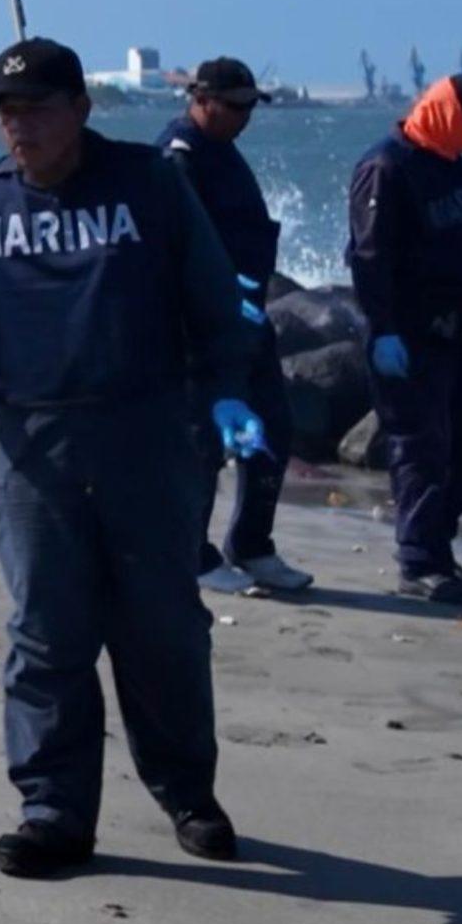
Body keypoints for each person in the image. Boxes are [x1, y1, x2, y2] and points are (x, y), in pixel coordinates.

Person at [0, 38, 268, 879]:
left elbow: (214, 300)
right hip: (29, 450)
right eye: (7, 111)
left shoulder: (151, 186)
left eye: (38, 107)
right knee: (46, 632)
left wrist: (226, 392)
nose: (20, 125)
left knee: (162, 629)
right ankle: (54, 811)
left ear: (81, 109)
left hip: (145, 436)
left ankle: (189, 794)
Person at [347, 74, 462, 606]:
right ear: (451, 114)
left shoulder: (459, 171)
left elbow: (443, 243)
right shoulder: (385, 167)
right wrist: (382, 333)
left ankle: (436, 543)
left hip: (457, 331)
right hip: (405, 335)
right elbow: (370, 257)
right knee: (420, 448)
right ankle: (418, 562)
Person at [159, 58, 312, 595]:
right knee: (204, 441)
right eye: (236, 106)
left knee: (273, 426)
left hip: (250, 316)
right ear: (201, 100)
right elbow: (174, 245)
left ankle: (251, 544)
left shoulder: (224, 150)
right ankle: (193, 553)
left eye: (252, 106)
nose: (246, 116)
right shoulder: (179, 156)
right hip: (202, 326)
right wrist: (218, 299)